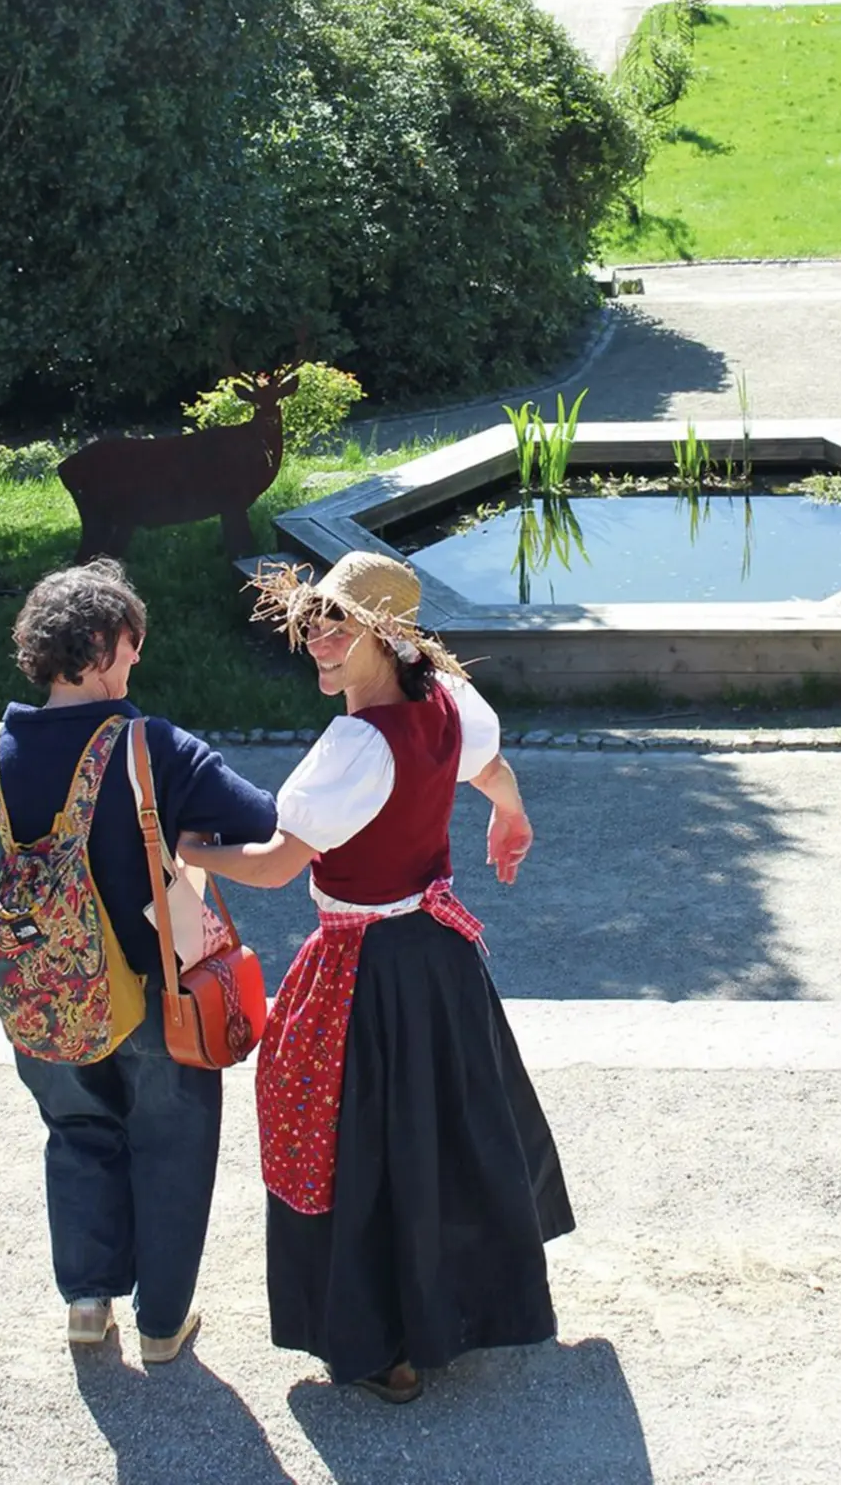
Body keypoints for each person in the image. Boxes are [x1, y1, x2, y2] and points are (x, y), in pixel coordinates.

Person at [178, 550, 574, 1405]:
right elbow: (491, 769)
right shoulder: (445, 700)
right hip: (439, 960)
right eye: (314, 622)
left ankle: (381, 1345)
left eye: (339, 626)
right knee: (441, 1133)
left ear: (385, 637)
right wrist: (511, 813)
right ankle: (461, 1310)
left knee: (354, 1145)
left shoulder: (357, 742)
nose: (319, 639)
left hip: (362, 966)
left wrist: (189, 850)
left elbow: (281, 865)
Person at [0, 559, 277, 1361]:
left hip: (41, 997)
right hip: (160, 989)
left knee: (77, 1131)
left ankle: (88, 1304)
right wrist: (180, 845)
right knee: (171, 1141)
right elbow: (259, 818)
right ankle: (162, 1325)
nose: (136, 659)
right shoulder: (149, 747)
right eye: (130, 643)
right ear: (96, 645)